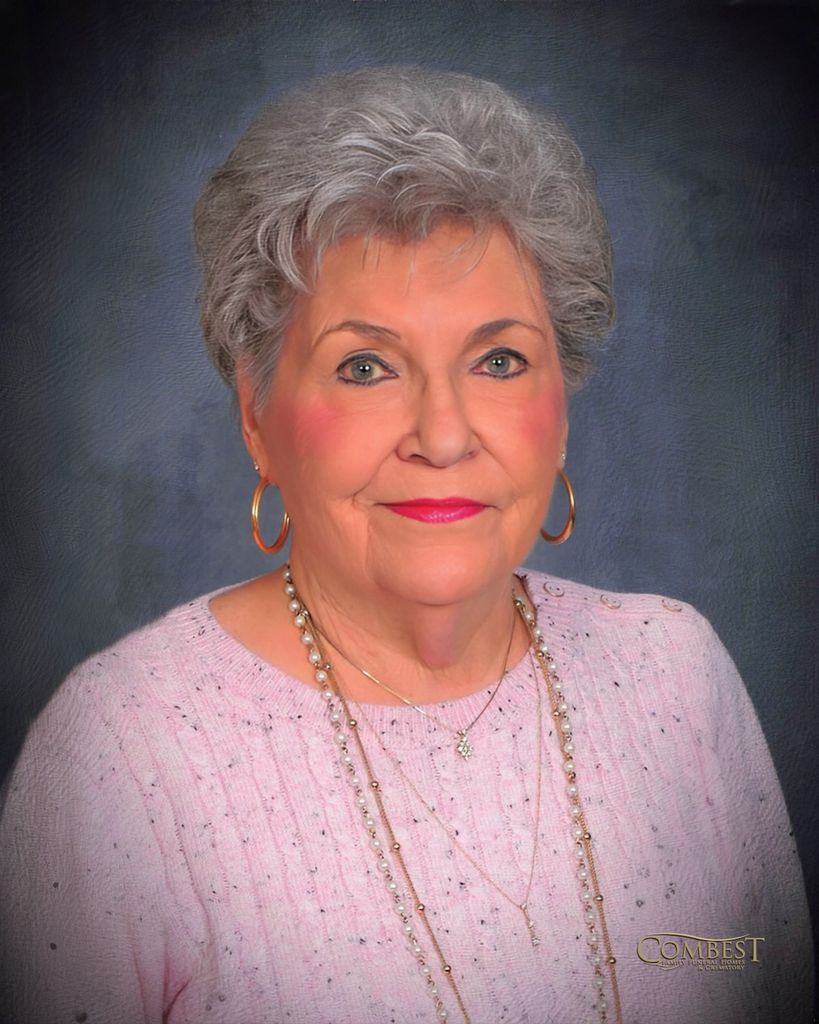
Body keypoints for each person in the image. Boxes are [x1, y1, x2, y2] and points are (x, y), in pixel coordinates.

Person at [0, 66, 812, 1024]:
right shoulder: (123, 750)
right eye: (365, 366)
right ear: (258, 415)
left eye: (498, 360)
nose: (443, 435)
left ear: (560, 401)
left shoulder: (674, 674)